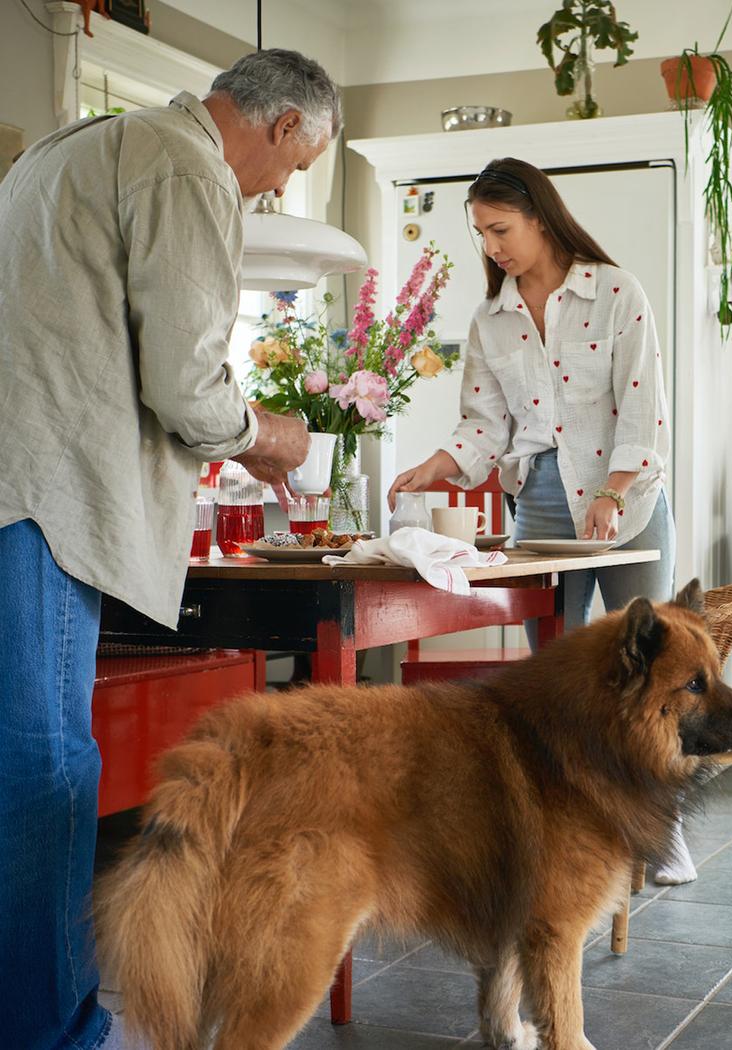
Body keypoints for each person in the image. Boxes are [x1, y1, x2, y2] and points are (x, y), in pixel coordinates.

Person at [0, 49, 340, 1050]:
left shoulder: (76, 150)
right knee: (45, 775)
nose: (282, 187)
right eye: (296, 164)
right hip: (42, 506)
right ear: (281, 126)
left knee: (26, 768)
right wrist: (276, 435)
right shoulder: (184, 165)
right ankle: (50, 1037)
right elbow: (189, 389)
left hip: (21, 491)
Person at [388, 157, 697, 884]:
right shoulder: (491, 319)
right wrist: (438, 463)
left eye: (501, 229)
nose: (492, 246)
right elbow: (483, 426)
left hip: (624, 501)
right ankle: (569, 832)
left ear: (540, 217)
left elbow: (643, 405)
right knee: (558, 677)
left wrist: (614, 491)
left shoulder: (615, 292)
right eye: (482, 233)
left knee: (655, 673)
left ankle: (664, 829)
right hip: (541, 505)